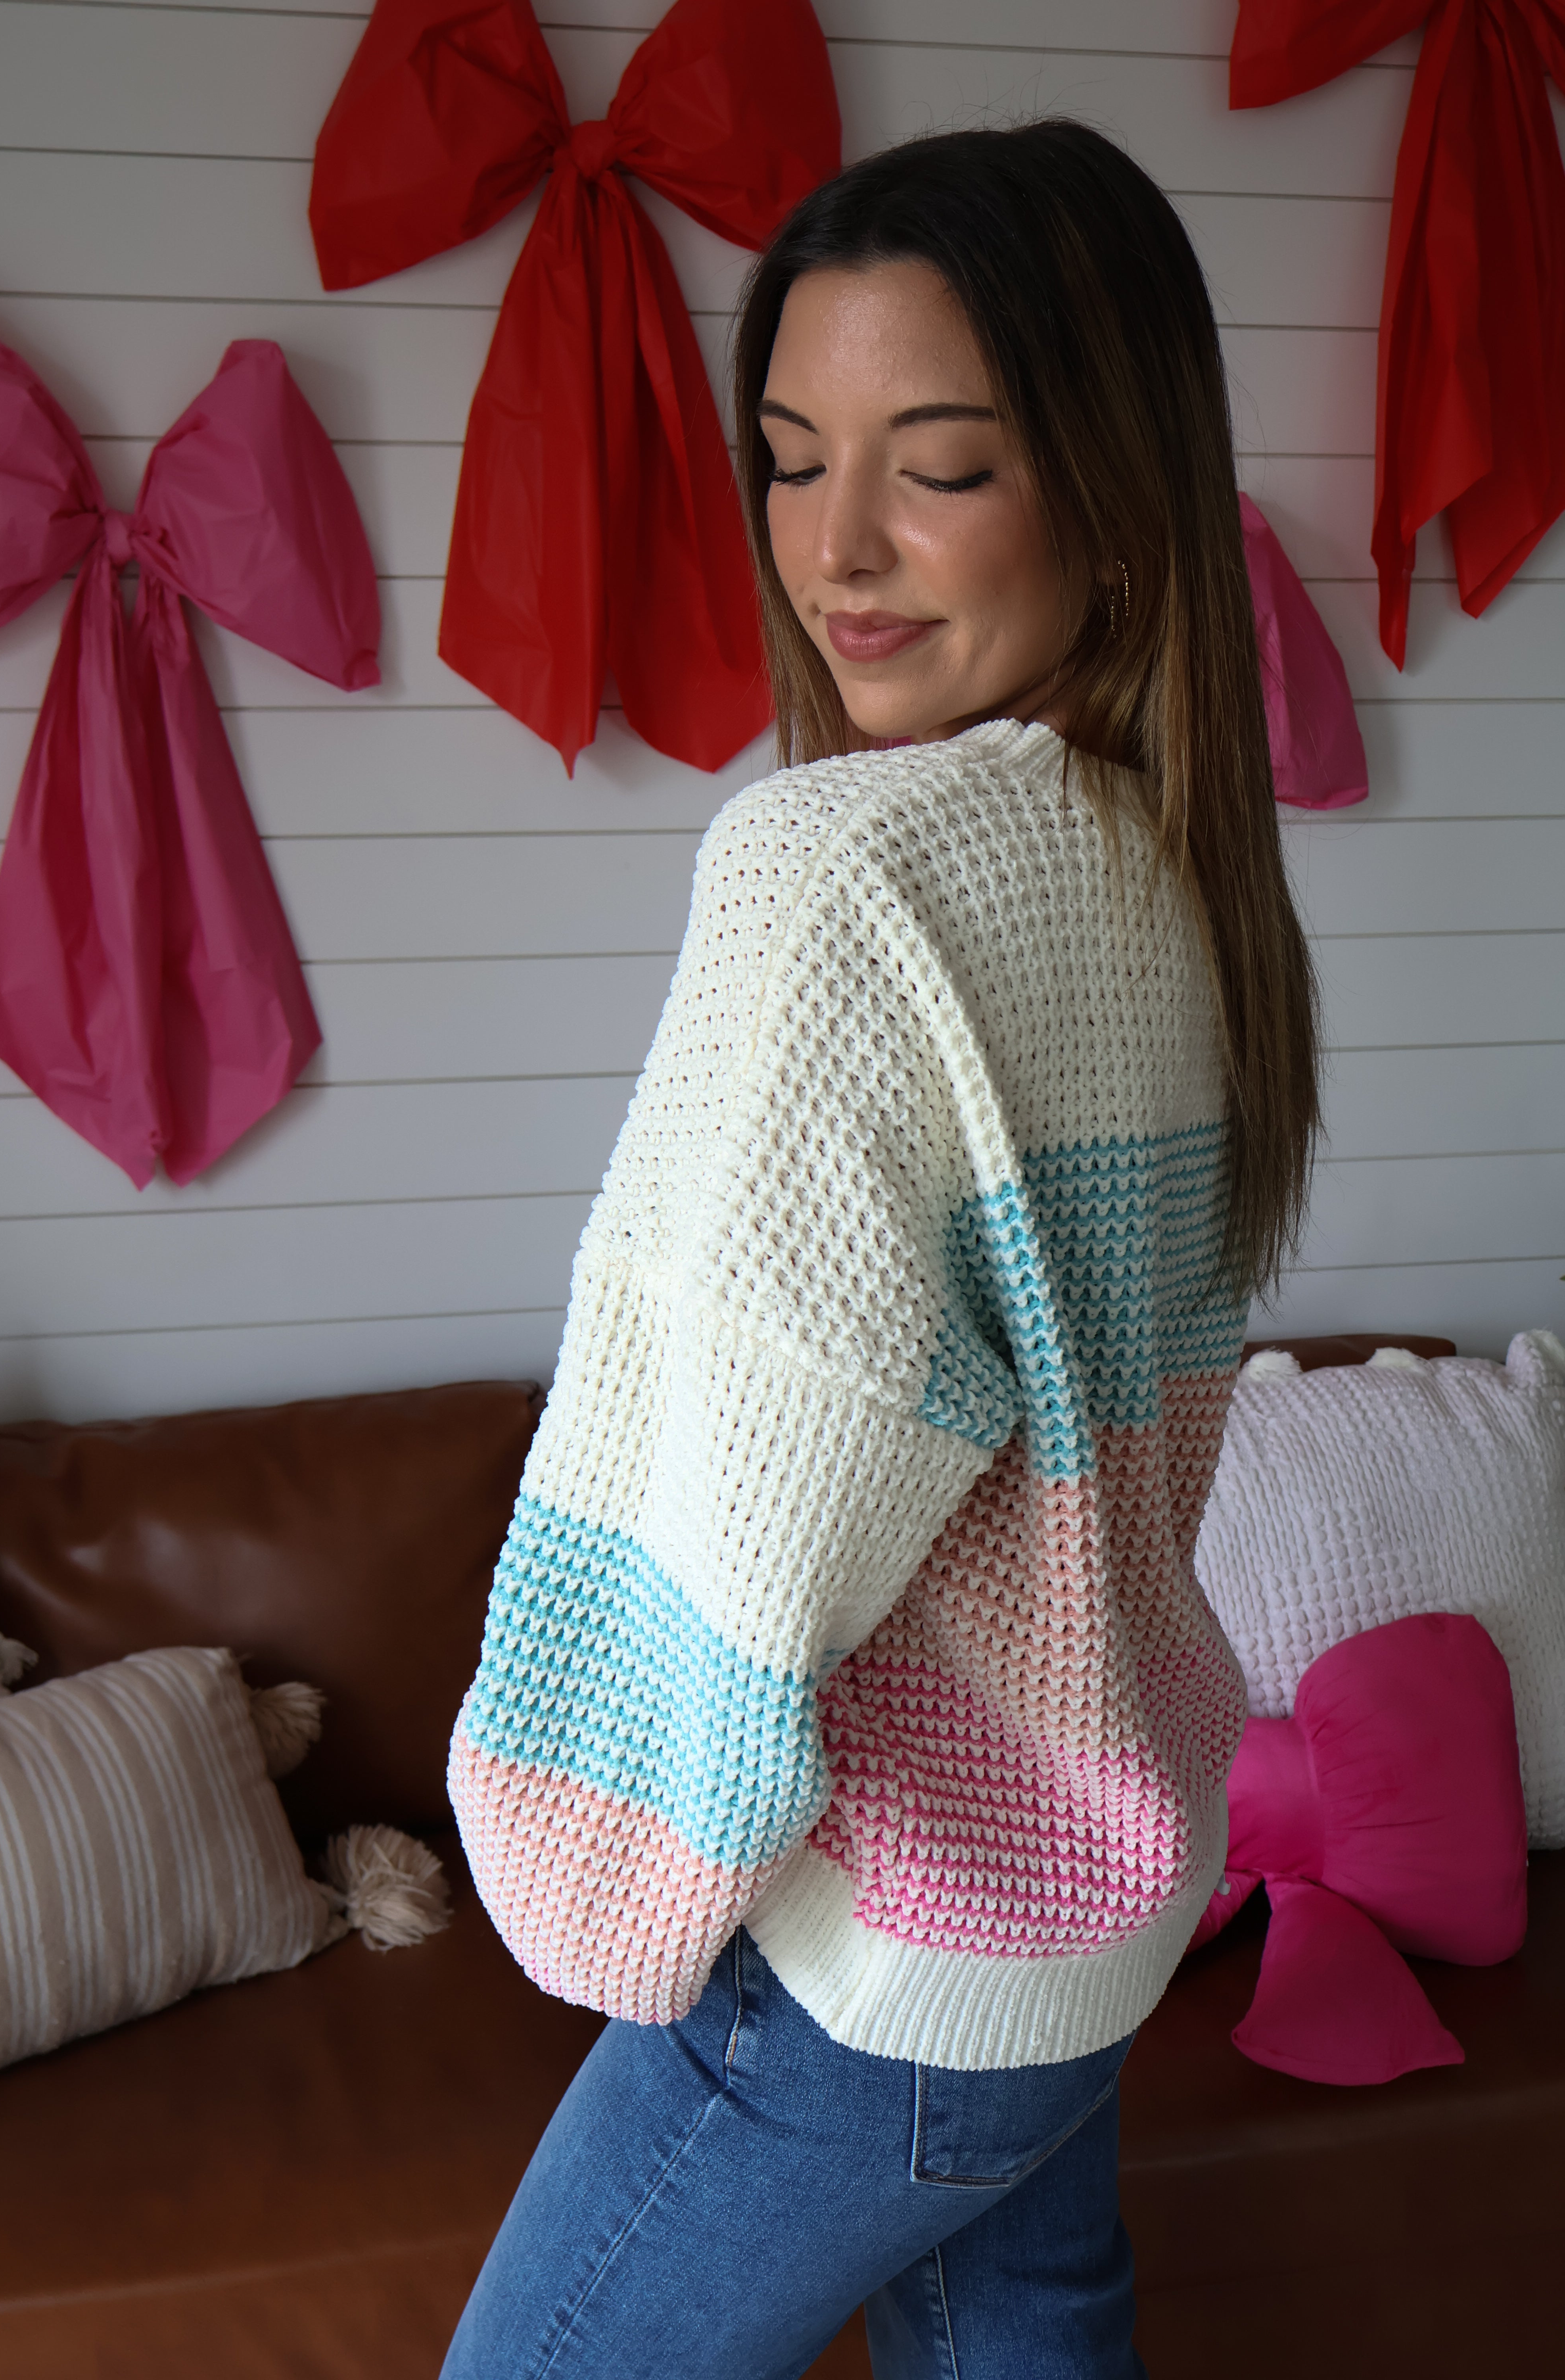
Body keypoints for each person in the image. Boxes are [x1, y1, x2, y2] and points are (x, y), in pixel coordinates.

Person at [441, 119, 1320, 2380]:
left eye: (938, 467)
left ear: (1112, 489)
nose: (836, 549)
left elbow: (755, 1471)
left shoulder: (847, 877)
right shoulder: (1169, 878)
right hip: (1081, 1915)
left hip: (875, 1944)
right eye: (791, 458)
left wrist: (604, 1863)